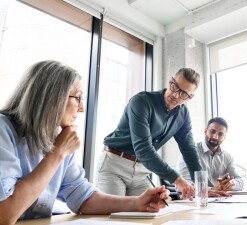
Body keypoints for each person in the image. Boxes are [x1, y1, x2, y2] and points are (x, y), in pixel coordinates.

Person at [0, 61, 170, 224]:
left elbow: (82, 196)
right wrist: (57, 153)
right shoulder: (4, 130)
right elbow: (4, 214)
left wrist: (138, 203)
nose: (81, 108)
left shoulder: (57, 139)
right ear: (52, 98)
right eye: (78, 98)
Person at [97, 68, 202, 199]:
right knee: (113, 215)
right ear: (170, 82)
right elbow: (143, 149)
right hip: (115, 165)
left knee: (154, 211)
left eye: (183, 94)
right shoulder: (141, 101)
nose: (175, 95)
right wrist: (177, 180)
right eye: (175, 87)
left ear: (190, 97)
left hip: (141, 172)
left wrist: (203, 186)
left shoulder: (183, 115)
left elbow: (189, 151)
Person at [176, 117, 244, 192]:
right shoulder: (189, 152)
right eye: (212, 131)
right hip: (195, 200)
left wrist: (230, 183)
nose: (215, 137)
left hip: (220, 201)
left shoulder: (227, 157)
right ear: (205, 131)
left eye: (220, 134)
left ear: (224, 137)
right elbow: (182, 184)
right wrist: (210, 190)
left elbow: (240, 182)